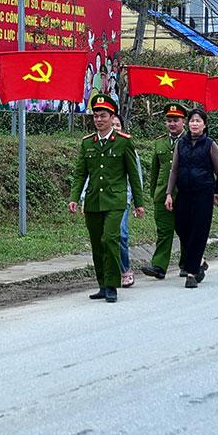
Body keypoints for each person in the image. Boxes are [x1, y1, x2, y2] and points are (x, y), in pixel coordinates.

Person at [68, 94, 146, 304]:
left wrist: (139, 203)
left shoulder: (123, 142)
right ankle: (102, 284)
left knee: (110, 239)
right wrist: (74, 197)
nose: (99, 120)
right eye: (96, 116)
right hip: (94, 200)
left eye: (103, 116)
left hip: (115, 200)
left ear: (112, 118)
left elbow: (133, 176)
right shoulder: (87, 144)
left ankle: (112, 285)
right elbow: (80, 174)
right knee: (97, 244)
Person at [165, 110, 218, 289]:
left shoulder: (210, 145)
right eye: (192, 121)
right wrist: (168, 193)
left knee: (199, 230)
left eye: (198, 121)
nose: (195, 124)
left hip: (203, 193)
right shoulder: (182, 143)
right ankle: (200, 260)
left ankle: (191, 273)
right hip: (184, 192)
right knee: (181, 226)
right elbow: (174, 170)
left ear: (204, 125)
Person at [141, 103, 188, 280]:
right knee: (164, 231)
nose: (172, 124)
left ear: (184, 121)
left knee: (185, 231)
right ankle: (159, 266)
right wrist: (154, 193)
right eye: (169, 120)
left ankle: (187, 263)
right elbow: (155, 170)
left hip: (184, 193)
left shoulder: (190, 140)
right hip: (162, 193)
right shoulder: (160, 142)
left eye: (176, 120)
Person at [111, 115, 135, 288]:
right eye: (113, 125)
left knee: (122, 234)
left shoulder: (127, 145)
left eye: (118, 125)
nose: (115, 127)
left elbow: (135, 175)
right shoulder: (97, 145)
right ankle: (112, 272)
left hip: (123, 198)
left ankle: (125, 269)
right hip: (103, 199)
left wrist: (137, 200)